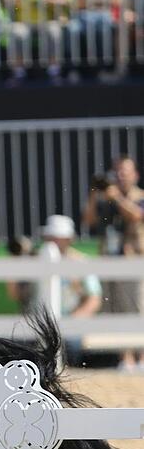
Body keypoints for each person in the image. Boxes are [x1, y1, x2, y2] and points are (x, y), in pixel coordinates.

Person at [82, 156, 144, 371]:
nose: (120, 176)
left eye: (124, 172)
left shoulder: (139, 197)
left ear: (135, 175)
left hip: (134, 260)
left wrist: (116, 197)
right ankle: (125, 359)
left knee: (137, 308)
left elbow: (136, 215)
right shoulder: (105, 199)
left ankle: (142, 359)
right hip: (109, 259)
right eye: (116, 172)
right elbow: (88, 220)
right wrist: (93, 193)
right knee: (115, 309)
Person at [6, 0, 74, 82]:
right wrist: (17, 2)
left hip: (49, 19)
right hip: (24, 21)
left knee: (53, 31)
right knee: (16, 32)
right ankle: (18, 73)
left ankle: (54, 71)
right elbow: (10, 4)